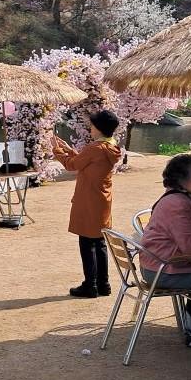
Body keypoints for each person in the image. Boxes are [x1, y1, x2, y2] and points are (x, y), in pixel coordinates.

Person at [52, 110, 123, 298]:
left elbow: (72, 165)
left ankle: (90, 285)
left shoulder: (95, 148)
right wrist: (69, 150)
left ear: (98, 128)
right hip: (101, 199)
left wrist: (57, 150)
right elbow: (87, 162)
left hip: (88, 199)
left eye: (92, 125)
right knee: (99, 242)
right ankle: (103, 283)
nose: (90, 128)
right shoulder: (111, 146)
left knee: (86, 241)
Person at [139, 154, 191, 349]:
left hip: (160, 265)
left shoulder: (178, 199)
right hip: (165, 271)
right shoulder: (178, 204)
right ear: (182, 181)